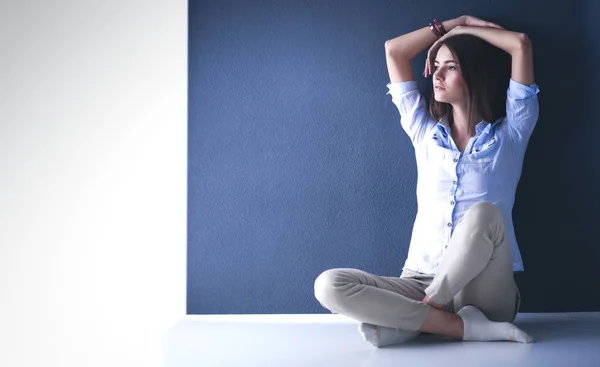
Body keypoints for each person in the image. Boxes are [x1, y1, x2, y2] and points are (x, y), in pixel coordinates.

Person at [314, 14, 540, 347]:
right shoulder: (425, 134)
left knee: (484, 214)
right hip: (420, 277)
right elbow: (394, 52)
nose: (437, 74)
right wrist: (449, 25)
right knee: (329, 285)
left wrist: (464, 30)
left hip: (483, 287)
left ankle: (420, 317)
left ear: (473, 72)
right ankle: (459, 327)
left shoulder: (511, 135)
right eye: (435, 65)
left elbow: (520, 44)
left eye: (450, 66)